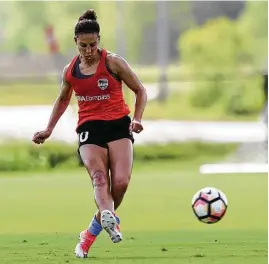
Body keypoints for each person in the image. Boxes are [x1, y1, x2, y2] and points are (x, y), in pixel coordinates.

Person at [32, 9, 147, 258]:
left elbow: (140, 90)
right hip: (89, 128)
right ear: (75, 43)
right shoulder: (70, 71)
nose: (88, 50)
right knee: (99, 178)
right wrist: (48, 129)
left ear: (99, 41)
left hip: (118, 125)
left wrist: (137, 119)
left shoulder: (113, 62)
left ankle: (90, 232)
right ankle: (108, 217)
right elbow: (62, 100)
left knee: (120, 183)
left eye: (93, 45)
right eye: (83, 45)